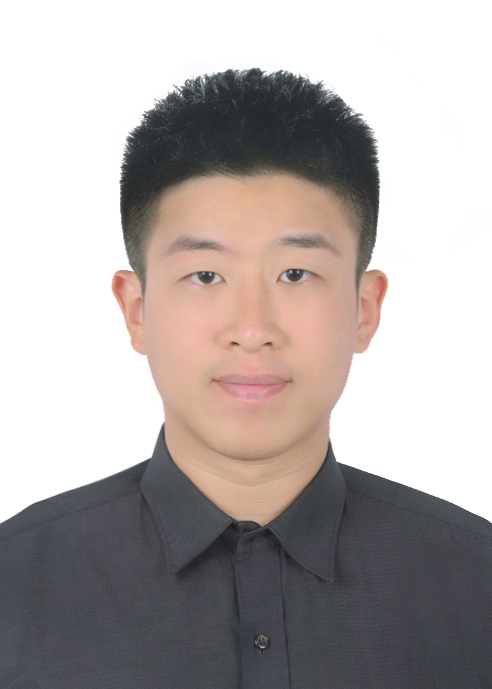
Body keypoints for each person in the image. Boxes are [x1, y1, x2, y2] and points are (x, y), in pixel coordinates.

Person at [1, 68, 491, 688]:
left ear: (364, 309)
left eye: (295, 274)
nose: (253, 329)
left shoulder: (476, 581)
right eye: (206, 276)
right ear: (137, 310)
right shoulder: (15, 583)